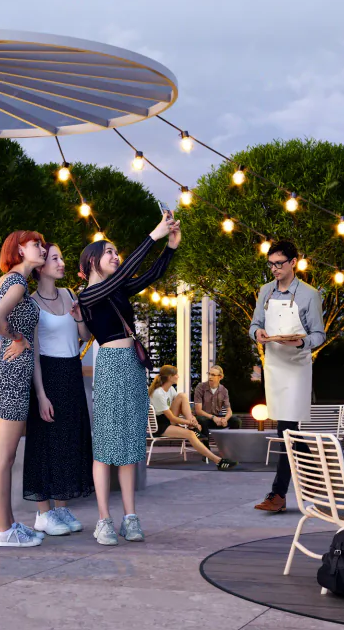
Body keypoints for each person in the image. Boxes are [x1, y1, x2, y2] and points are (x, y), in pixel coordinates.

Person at [76, 211, 181, 544]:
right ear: (92, 260)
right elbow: (125, 273)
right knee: (106, 444)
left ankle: (130, 518)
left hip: (133, 367)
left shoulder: (118, 290)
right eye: (109, 252)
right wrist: (155, 234)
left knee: (130, 441)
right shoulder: (87, 296)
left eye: (116, 252)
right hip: (109, 363)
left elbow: (150, 274)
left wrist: (171, 248)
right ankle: (104, 520)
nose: (115, 256)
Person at [0, 230, 49, 549]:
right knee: (3, 458)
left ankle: (6, 527)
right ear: (20, 249)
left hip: (12, 376)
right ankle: (3, 531)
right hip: (10, 377)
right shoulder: (17, 283)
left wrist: (15, 335)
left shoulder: (10, 282)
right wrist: (16, 337)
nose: (42, 248)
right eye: (36, 244)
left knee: (3, 457)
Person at [23, 243, 94, 534]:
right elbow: (35, 352)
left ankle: (61, 510)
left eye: (62, 258)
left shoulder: (69, 294)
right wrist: (40, 394)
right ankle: (43, 512)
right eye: (55, 259)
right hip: (47, 373)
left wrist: (79, 316)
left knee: (69, 440)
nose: (62, 263)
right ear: (41, 268)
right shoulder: (30, 302)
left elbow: (85, 336)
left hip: (71, 371)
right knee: (44, 442)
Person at [249, 240, 325, 513]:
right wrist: (256, 333)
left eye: (279, 263)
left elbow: (319, 334)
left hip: (297, 366)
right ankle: (318, 477)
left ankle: (278, 494)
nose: (274, 269)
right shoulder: (265, 292)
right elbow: (255, 324)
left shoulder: (309, 294)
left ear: (294, 262)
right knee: (289, 431)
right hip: (274, 365)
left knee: (286, 429)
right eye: (271, 264)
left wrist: (301, 343)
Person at [148, 365, 238, 469]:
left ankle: (194, 428)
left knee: (182, 395)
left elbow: (179, 408)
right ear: (169, 377)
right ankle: (218, 461)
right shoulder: (158, 393)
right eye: (176, 374)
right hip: (161, 426)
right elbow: (172, 418)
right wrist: (190, 423)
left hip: (168, 420)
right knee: (191, 434)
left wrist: (191, 419)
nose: (178, 376)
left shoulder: (171, 389)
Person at [193, 364, 235, 428]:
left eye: (213, 375)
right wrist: (213, 417)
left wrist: (225, 419)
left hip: (217, 419)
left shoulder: (224, 390)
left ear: (220, 377)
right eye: (209, 374)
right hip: (205, 418)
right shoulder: (200, 387)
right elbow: (198, 411)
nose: (210, 377)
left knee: (236, 421)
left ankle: (230, 438)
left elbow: (229, 411)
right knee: (201, 420)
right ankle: (205, 438)